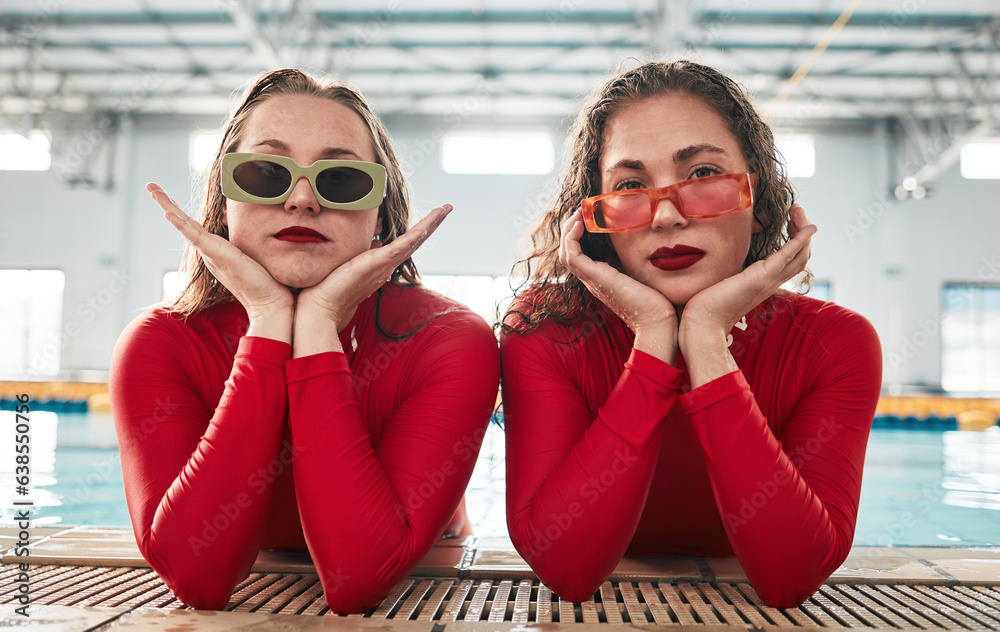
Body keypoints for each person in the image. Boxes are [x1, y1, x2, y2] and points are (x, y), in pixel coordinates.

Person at [110, 69, 499, 613]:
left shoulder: (445, 340)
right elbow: (198, 579)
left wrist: (316, 328)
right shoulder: (163, 342)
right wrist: (270, 321)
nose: (301, 200)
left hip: (425, 582)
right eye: (266, 173)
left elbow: (360, 579)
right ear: (225, 206)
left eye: (340, 180)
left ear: (380, 221)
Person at [500, 59, 882, 608]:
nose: (666, 216)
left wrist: (705, 337)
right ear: (597, 225)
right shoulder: (548, 328)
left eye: (702, 175)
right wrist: (655, 336)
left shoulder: (833, 344)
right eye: (631, 185)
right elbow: (567, 569)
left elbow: (791, 576)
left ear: (758, 202)